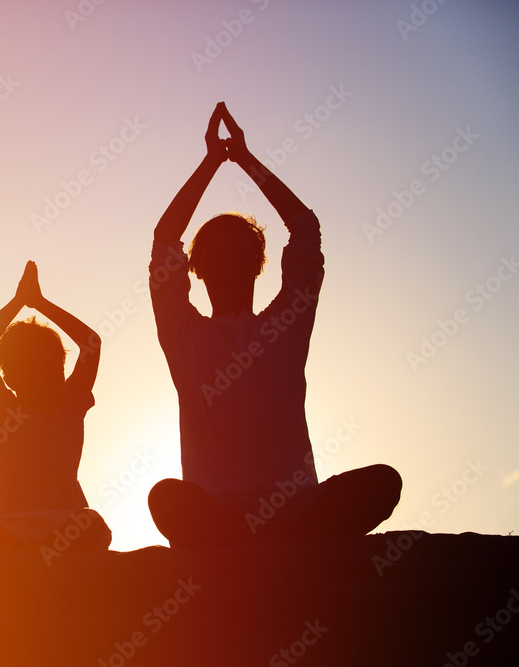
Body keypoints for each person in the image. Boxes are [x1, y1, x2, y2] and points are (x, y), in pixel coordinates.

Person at [147, 102, 401, 548]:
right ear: (197, 269)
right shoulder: (185, 335)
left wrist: (244, 159)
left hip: (299, 510)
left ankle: (270, 541)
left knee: (384, 480)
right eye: (214, 256)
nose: (227, 263)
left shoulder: (285, 324)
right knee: (165, 497)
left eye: (239, 253)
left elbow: (304, 227)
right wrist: (211, 163)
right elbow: (165, 238)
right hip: (218, 512)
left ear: (257, 265)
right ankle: (248, 542)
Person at [0, 261, 111, 559]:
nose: (45, 379)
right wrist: (18, 302)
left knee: (92, 524)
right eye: (33, 371)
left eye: (52, 369)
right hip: (4, 527)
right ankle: (16, 549)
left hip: (64, 525)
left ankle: (9, 550)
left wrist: (40, 304)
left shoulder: (70, 403)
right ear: (11, 378)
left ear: (61, 368)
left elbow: (91, 343)